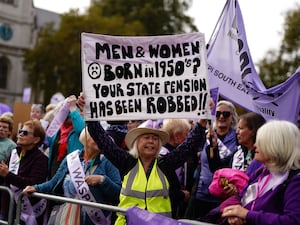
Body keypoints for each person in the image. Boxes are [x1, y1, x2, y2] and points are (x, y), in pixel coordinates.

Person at [23, 127, 122, 225]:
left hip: (93, 220)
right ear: (85, 138)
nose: (99, 140)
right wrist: (36, 188)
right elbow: (54, 182)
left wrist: (102, 180)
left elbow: (118, 193)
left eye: (101, 137)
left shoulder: (108, 162)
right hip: (66, 216)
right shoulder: (71, 158)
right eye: (95, 137)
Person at [221, 120, 300, 225]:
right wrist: (233, 214)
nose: (255, 145)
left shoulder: (295, 181)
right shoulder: (262, 171)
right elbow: (239, 197)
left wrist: (247, 215)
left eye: (261, 142)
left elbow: (293, 221)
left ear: (275, 145)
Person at [185, 100, 239, 220]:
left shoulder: (238, 139)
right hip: (200, 195)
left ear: (232, 118)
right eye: (218, 113)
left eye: (226, 114)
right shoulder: (205, 136)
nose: (221, 117)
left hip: (223, 199)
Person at [0, 119, 48, 224]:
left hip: (28, 213)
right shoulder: (14, 153)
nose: (20, 134)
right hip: (7, 208)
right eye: (20, 131)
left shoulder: (41, 159)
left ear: (36, 140)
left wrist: (8, 174)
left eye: (25, 133)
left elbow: (33, 183)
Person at [207, 112, 266, 177]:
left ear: (253, 131)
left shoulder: (262, 156)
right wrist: (213, 146)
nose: (237, 132)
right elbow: (218, 168)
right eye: (237, 128)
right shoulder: (238, 151)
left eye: (241, 128)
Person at [160, 118, 196, 219]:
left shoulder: (177, 153)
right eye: (187, 134)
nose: (188, 138)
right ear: (176, 136)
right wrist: (180, 195)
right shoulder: (163, 156)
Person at [47, 95, 84, 178]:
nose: (69, 115)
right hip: (55, 172)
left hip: (72, 174)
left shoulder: (79, 125)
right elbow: (47, 141)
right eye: (66, 112)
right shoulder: (58, 130)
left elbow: (81, 130)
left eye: (70, 112)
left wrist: (73, 109)